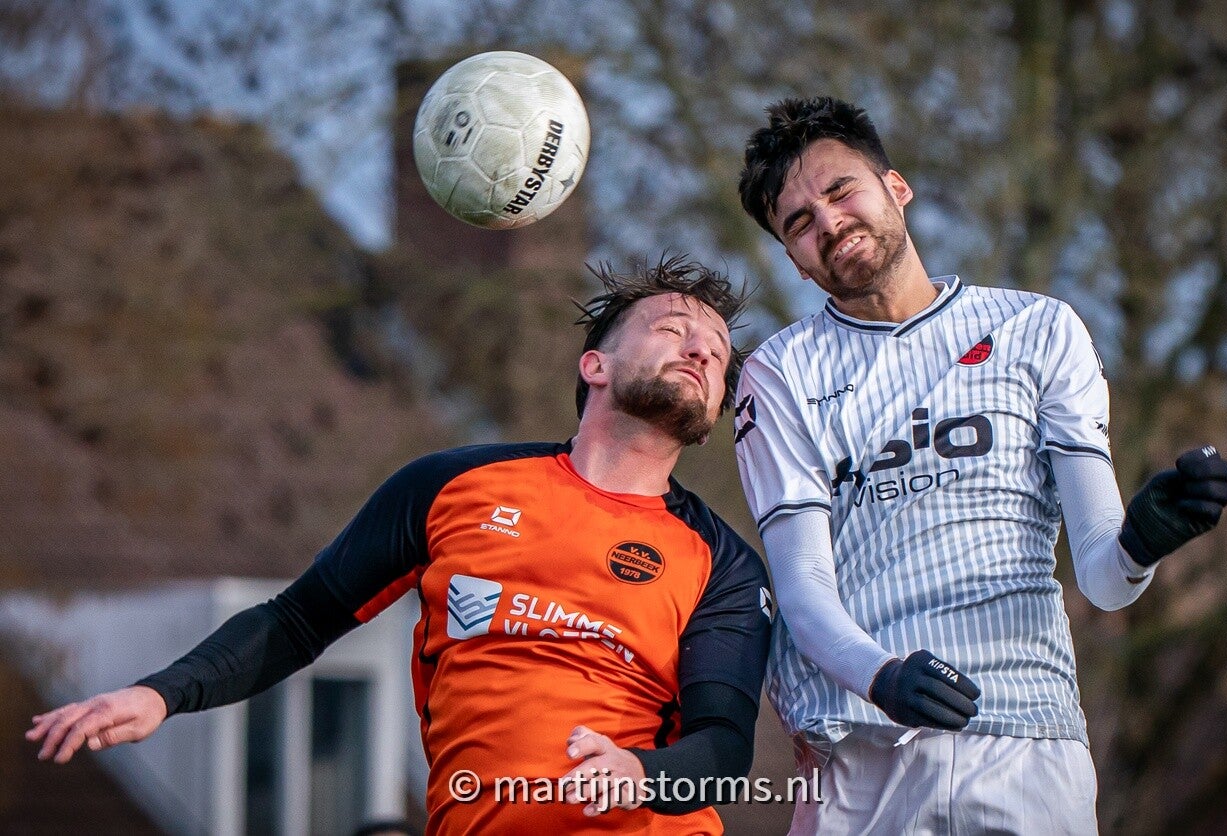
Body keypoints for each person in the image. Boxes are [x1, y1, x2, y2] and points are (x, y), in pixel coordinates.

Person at [26, 257, 773, 835]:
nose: (702, 352)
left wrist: (640, 774)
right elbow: (297, 620)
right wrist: (163, 693)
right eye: (673, 330)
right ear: (594, 365)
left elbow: (723, 752)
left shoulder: (725, 565)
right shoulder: (450, 486)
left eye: (717, 352)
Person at [732, 97, 1227, 834]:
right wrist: (881, 677)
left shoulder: (1037, 327)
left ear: (896, 187)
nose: (830, 223)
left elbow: (1104, 579)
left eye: (841, 191)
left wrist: (1143, 541)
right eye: (799, 223)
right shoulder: (779, 372)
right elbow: (804, 588)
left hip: (1025, 741)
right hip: (859, 754)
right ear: (794, 261)